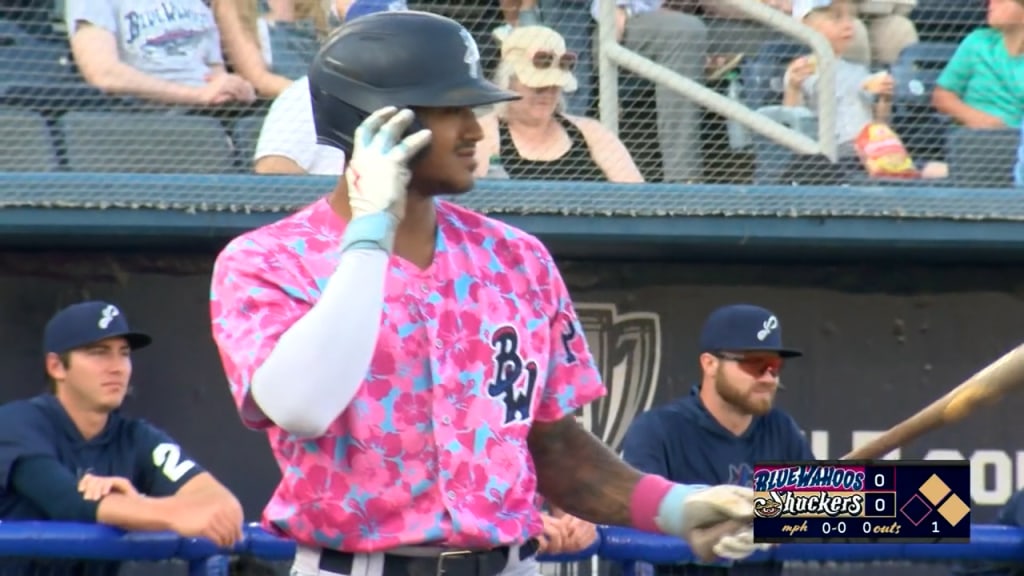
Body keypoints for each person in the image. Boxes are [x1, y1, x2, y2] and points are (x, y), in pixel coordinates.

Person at [209, 10, 766, 576]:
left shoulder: (517, 258)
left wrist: (674, 506)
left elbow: (553, 446)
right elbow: (302, 407)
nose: (476, 130)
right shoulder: (266, 260)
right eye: (451, 109)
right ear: (378, 121)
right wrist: (373, 229)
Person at [0, 301, 244, 574]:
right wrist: (171, 514)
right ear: (57, 366)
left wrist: (138, 505)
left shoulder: (136, 437)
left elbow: (223, 505)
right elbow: (66, 500)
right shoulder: (16, 424)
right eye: (99, 353)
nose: (117, 367)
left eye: (123, 353)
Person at [621, 304, 813, 576]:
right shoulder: (659, 429)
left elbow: (822, 511)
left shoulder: (781, 430)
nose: (769, 378)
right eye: (755, 364)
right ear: (710, 364)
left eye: (774, 366)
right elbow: (636, 521)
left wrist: (789, 517)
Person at [474, 25, 643, 183]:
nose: (547, 93)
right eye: (537, 86)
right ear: (508, 82)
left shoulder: (592, 133)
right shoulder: (482, 135)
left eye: (554, 86)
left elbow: (639, 199)